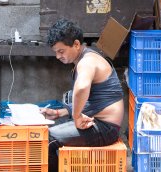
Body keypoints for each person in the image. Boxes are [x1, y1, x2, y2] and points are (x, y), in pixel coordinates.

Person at [40, 18, 124, 172]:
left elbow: (82, 88)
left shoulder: (87, 62)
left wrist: (77, 116)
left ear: (76, 44)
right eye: (56, 52)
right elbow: (92, 100)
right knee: (47, 133)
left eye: (61, 51)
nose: (58, 56)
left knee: (45, 140)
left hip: (104, 128)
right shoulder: (86, 58)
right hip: (98, 123)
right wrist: (59, 113)